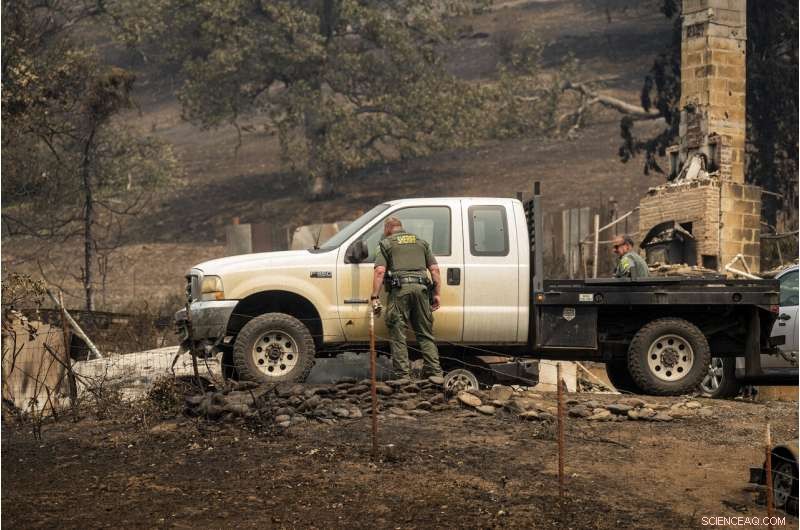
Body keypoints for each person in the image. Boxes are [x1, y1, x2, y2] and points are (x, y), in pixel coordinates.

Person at [371, 217, 443, 378]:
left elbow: (380, 271)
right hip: (422, 290)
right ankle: (436, 374)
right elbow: (435, 271)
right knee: (425, 333)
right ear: (401, 228)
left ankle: (403, 376)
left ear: (387, 229)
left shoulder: (386, 243)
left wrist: (374, 296)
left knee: (398, 332)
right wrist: (437, 294)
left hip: (400, 290)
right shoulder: (421, 242)